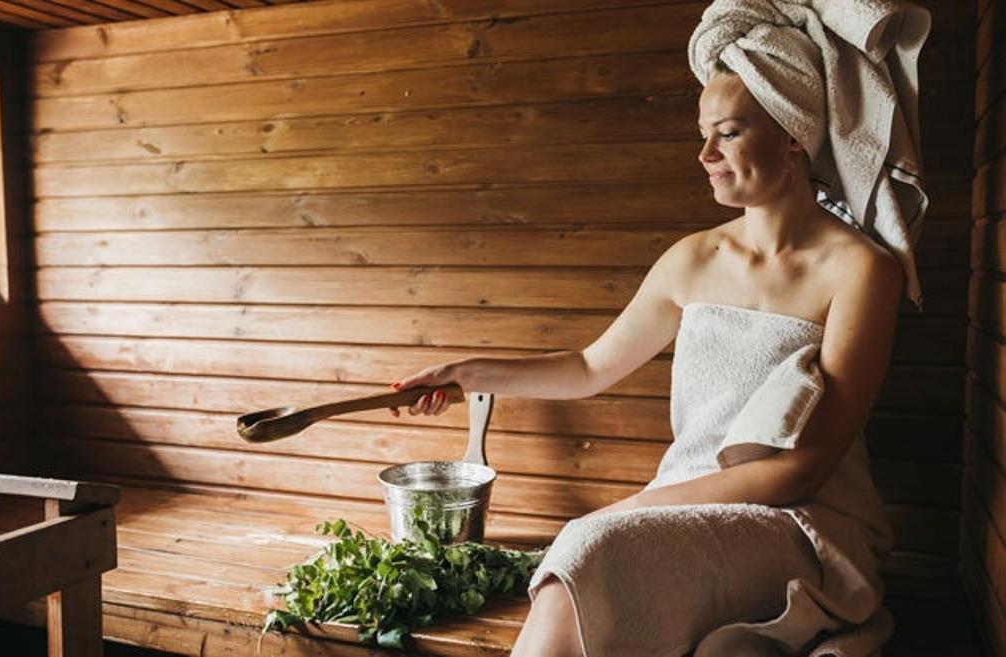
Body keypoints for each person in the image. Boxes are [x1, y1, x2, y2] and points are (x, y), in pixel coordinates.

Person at [385, 57, 903, 657]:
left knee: (589, 547)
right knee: (581, 564)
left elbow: (801, 472)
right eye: (702, 135)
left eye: (728, 133)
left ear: (794, 135)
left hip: (800, 522)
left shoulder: (860, 271)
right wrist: (466, 373)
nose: (705, 153)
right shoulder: (692, 260)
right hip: (683, 509)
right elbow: (589, 367)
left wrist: (625, 509)